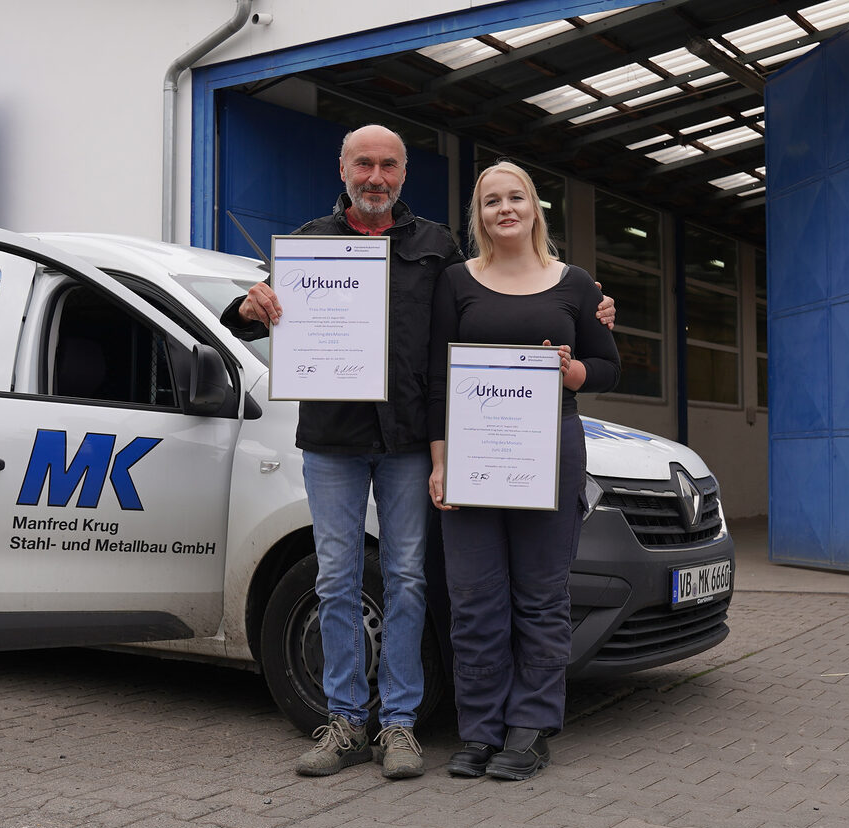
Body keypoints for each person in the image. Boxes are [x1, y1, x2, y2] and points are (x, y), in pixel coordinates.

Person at [221, 128, 614, 780]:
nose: (375, 176)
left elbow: (465, 337)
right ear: (342, 167)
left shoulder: (439, 250)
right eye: (363, 163)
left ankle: (399, 724)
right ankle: (347, 720)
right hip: (333, 442)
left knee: (408, 580)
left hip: (408, 444)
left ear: (404, 174)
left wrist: (592, 309)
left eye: (388, 165)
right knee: (337, 581)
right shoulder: (309, 245)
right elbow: (250, 316)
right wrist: (247, 303)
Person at [427, 161, 621, 781]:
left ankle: (530, 729)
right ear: (478, 216)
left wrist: (575, 374)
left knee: (540, 596)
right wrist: (440, 461)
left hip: (551, 452)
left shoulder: (577, 285)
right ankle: (480, 730)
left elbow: (608, 364)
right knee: (475, 598)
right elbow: (436, 379)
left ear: (535, 208)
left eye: (515, 198)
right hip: (472, 456)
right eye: (490, 202)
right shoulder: (457, 281)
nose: (503, 209)